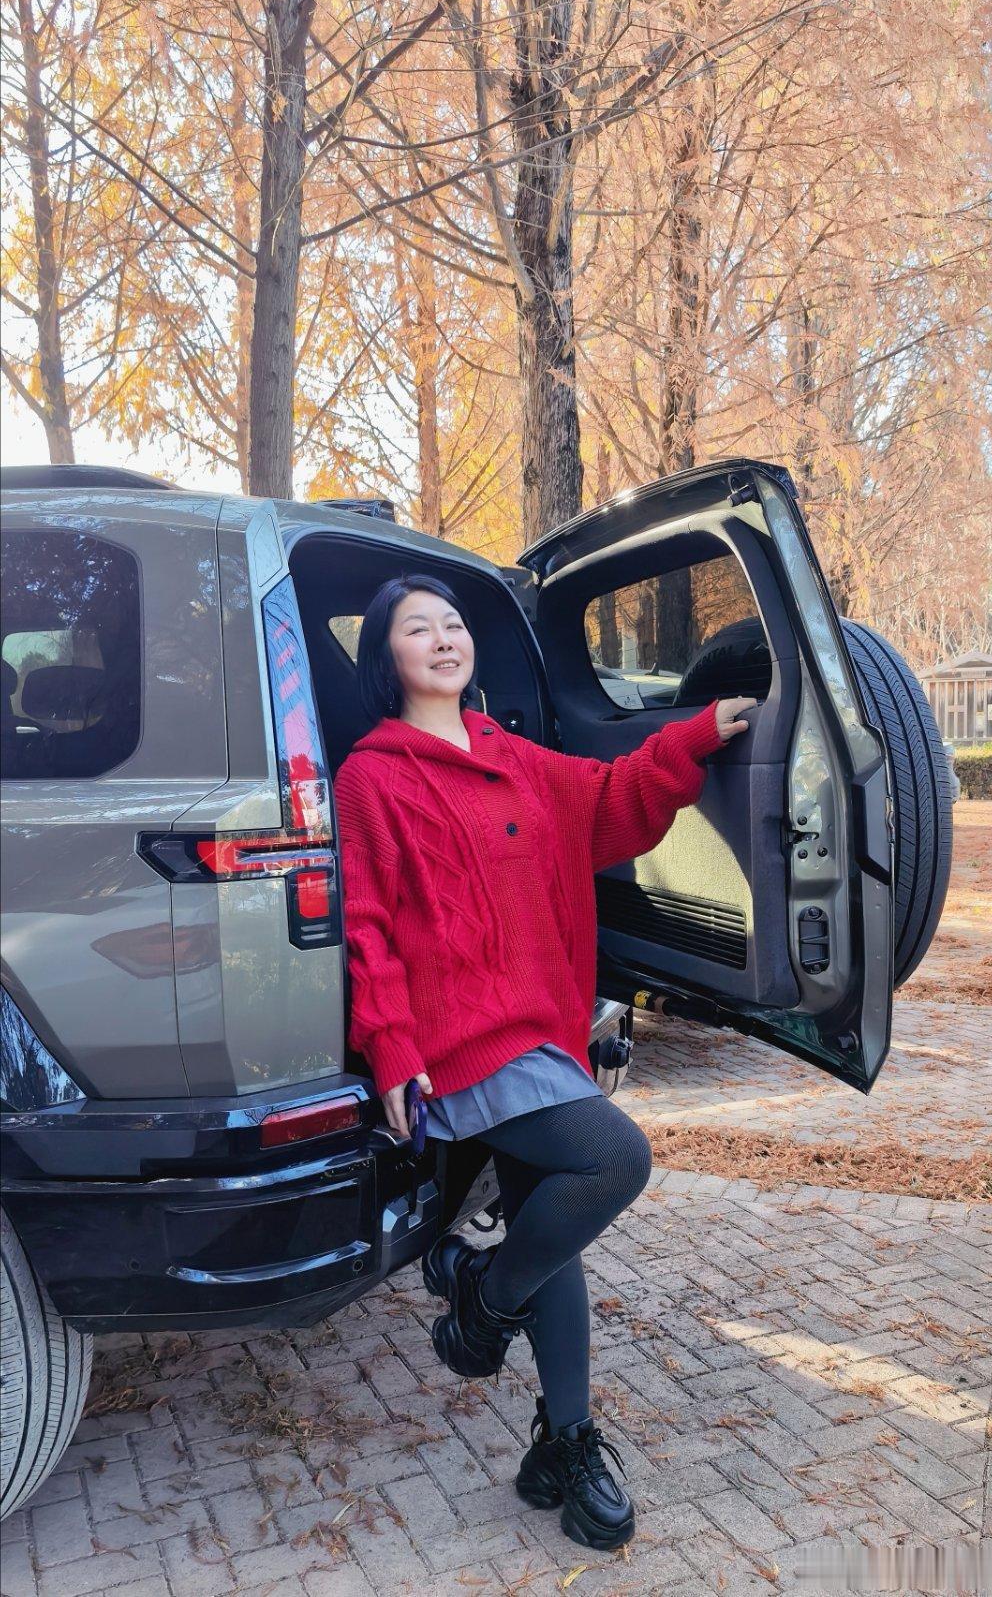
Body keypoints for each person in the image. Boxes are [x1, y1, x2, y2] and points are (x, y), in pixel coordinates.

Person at [334, 572, 755, 1552]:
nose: (444, 638)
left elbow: (611, 799)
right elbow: (365, 922)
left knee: (550, 1228)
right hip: (462, 1040)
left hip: (542, 1029)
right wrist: (390, 1045)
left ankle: (563, 1443)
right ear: (387, 656)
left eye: (452, 624)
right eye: (418, 628)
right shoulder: (371, 776)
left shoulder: (508, 753)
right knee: (615, 1158)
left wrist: (696, 733)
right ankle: (483, 1296)